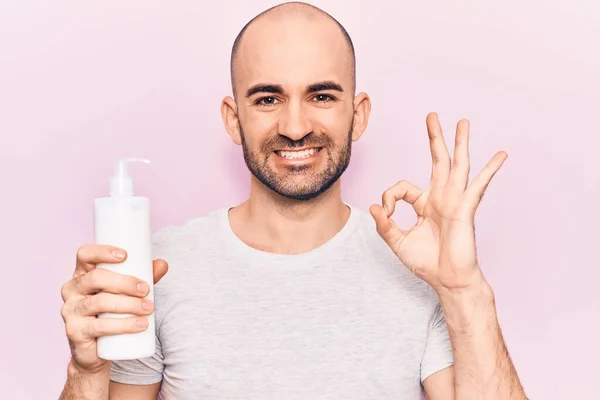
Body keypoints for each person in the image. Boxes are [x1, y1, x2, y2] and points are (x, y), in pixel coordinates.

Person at [59, 2, 527, 399]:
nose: (296, 126)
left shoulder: (420, 270)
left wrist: (464, 291)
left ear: (358, 116)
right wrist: (86, 371)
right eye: (267, 99)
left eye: (321, 95)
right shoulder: (156, 269)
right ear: (233, 118)